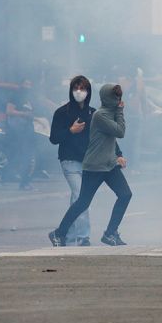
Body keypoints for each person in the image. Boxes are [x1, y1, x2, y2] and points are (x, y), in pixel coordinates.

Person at [48, 83, 132, 247]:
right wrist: (120, 111)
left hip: (109, 164)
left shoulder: (109, 113)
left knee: (125, 194)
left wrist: (119, 155)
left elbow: (113, 138)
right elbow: (120, 132)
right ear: (107, 98)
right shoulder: (100, 115)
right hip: (95, 165)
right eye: (115, 96)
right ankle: (58, 234)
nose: (118, 100)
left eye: (119, 96)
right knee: (83, 202)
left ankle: (110, 233)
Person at [49, 75, 95, 246]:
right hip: (69, 161)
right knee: (81, 197)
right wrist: (70, 131)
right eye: (76, 88)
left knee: (77, 200)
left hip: (88, 163)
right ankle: (83, 238)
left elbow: (101, 137)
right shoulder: (62, 112)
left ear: (88, 91)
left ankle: (65, 237)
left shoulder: (92, 113)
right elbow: (53, 138)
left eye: (82, 88)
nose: (79, 92)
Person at [5, 78, 36, 190]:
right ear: (22, 84)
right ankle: (23, 183)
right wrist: (24, 114)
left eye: (30, 83)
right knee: (24, 155)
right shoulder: (16, 95)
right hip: (18, 130)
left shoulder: (28, 98)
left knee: (27, 155)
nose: (29, 86)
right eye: (27, 83)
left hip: (27, 129)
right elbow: (9, 111)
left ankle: (23, 181)